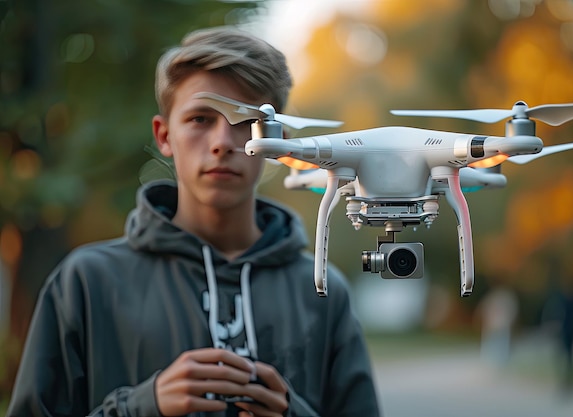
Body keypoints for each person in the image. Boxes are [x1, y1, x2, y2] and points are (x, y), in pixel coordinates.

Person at [7, 26, 380, 417]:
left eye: (245, 122)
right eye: (201, 119)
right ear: (164, 136)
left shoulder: (322, 290)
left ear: (277, 143)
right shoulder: (84, 283)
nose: (222, 141)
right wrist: (141, 408)